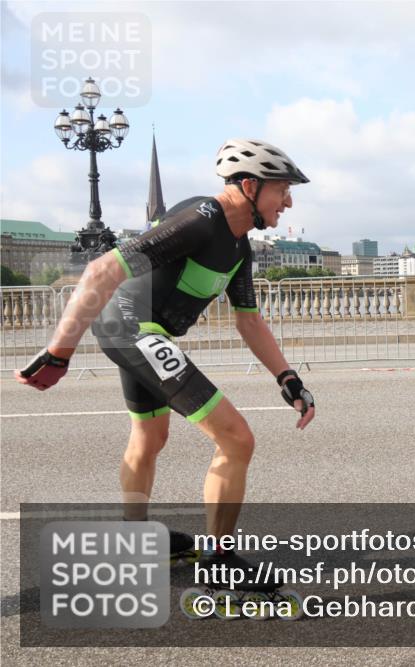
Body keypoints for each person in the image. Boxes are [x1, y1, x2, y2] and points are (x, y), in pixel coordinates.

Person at [16, 139, 317, 573]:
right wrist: (59, 352)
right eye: (283, 189)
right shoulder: (202, 219)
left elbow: (249, 321)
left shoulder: (239, 247)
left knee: (150, 437)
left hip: (136, 330)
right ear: (250, 186)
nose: (288, 202)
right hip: (132, 327)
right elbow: (101, 269)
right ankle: (219, 562)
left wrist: (287, 378)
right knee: (236, 438)